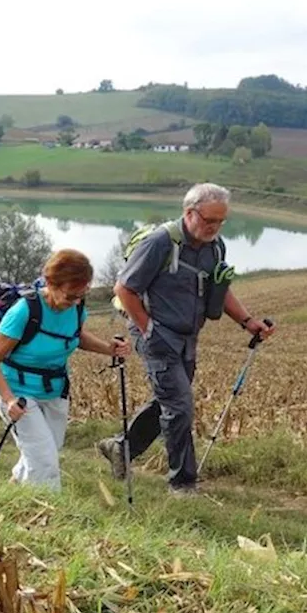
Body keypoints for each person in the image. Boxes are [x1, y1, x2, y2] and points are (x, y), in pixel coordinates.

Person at [95, 183, 276, 496]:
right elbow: (124, 290)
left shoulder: (215, 246)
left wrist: (248, 322)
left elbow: (221, 287)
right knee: (179, 407)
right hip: (156, 334)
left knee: (168, 401)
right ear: (189, 212)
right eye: (209, 220)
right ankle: (182, 483)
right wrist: (148, 329)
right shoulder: (159, 243)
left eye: (221, 221)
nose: (214, 228)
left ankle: (120, 447)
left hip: (187, 336)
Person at [0, 249, 130, 490]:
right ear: (51, 283)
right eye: (70, 295)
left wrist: (109, 349)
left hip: (54, 391)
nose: (74, 301)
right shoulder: (24, 311)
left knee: (48, 448)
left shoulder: (76, 306)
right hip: (18, 393)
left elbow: (76, 336)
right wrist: (9, 400)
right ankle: (45, 515)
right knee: (44, 459)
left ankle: (12, 490)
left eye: (80, 295)